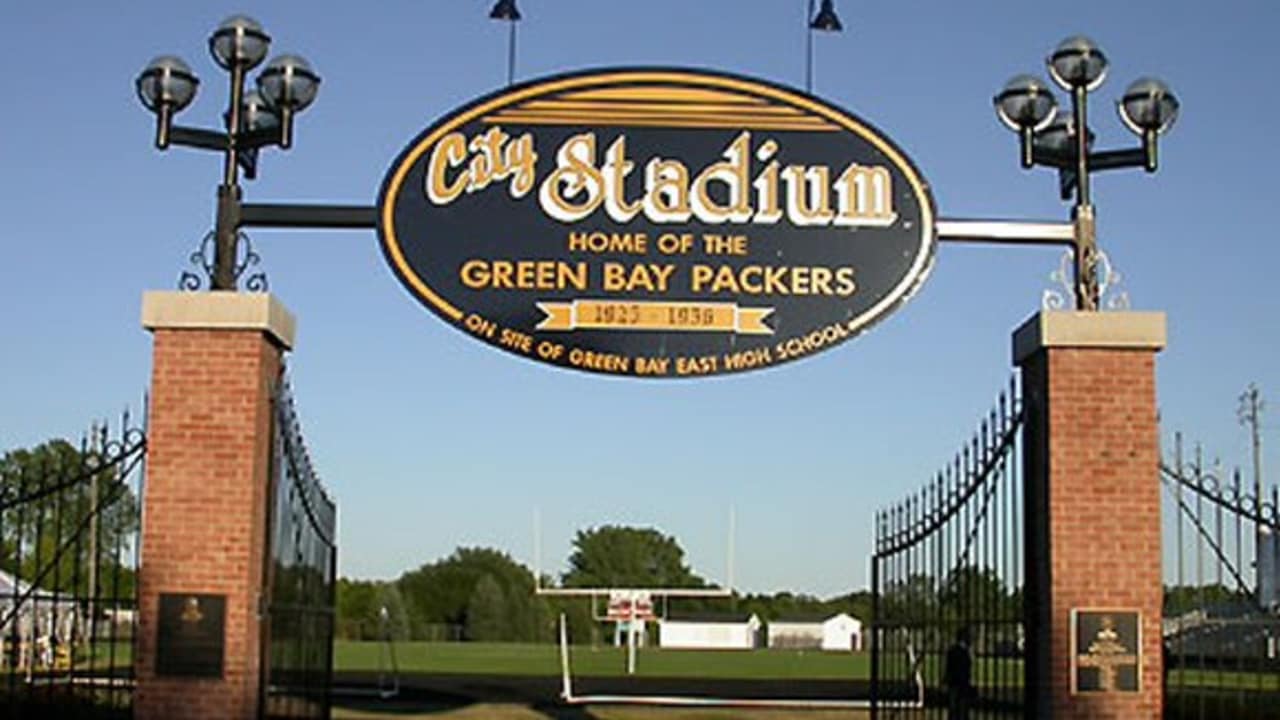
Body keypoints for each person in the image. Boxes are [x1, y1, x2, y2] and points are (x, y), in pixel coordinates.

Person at [943, 626, 975, 720]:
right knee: (962, 710)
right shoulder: (965, 652)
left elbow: (948, 668)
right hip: (962, 685)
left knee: (954, 710)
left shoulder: (952, 651)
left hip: (954, 684)